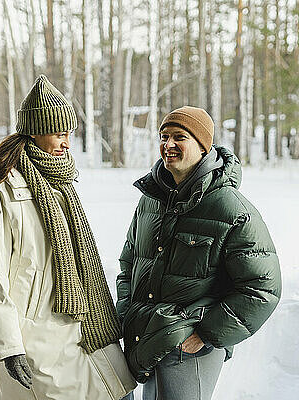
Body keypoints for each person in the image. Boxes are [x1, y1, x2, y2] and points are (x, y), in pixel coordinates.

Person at [0, 75, 136, 400]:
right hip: (38, 338)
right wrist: (7, 346)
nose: (66, 143)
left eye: (69, 134)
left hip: (86, 326)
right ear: (35, 131)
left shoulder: (62, 182)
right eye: (59, 133)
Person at [116, 106, 282, 400]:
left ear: (203, 146)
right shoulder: (151, 200)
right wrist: (129, 311)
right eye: (163, 136)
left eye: (179, 137)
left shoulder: (230, 209)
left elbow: (262, 288)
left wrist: (206, 334)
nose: (168, 145)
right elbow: (129, 263)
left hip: (189, 347)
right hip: (146, 336)